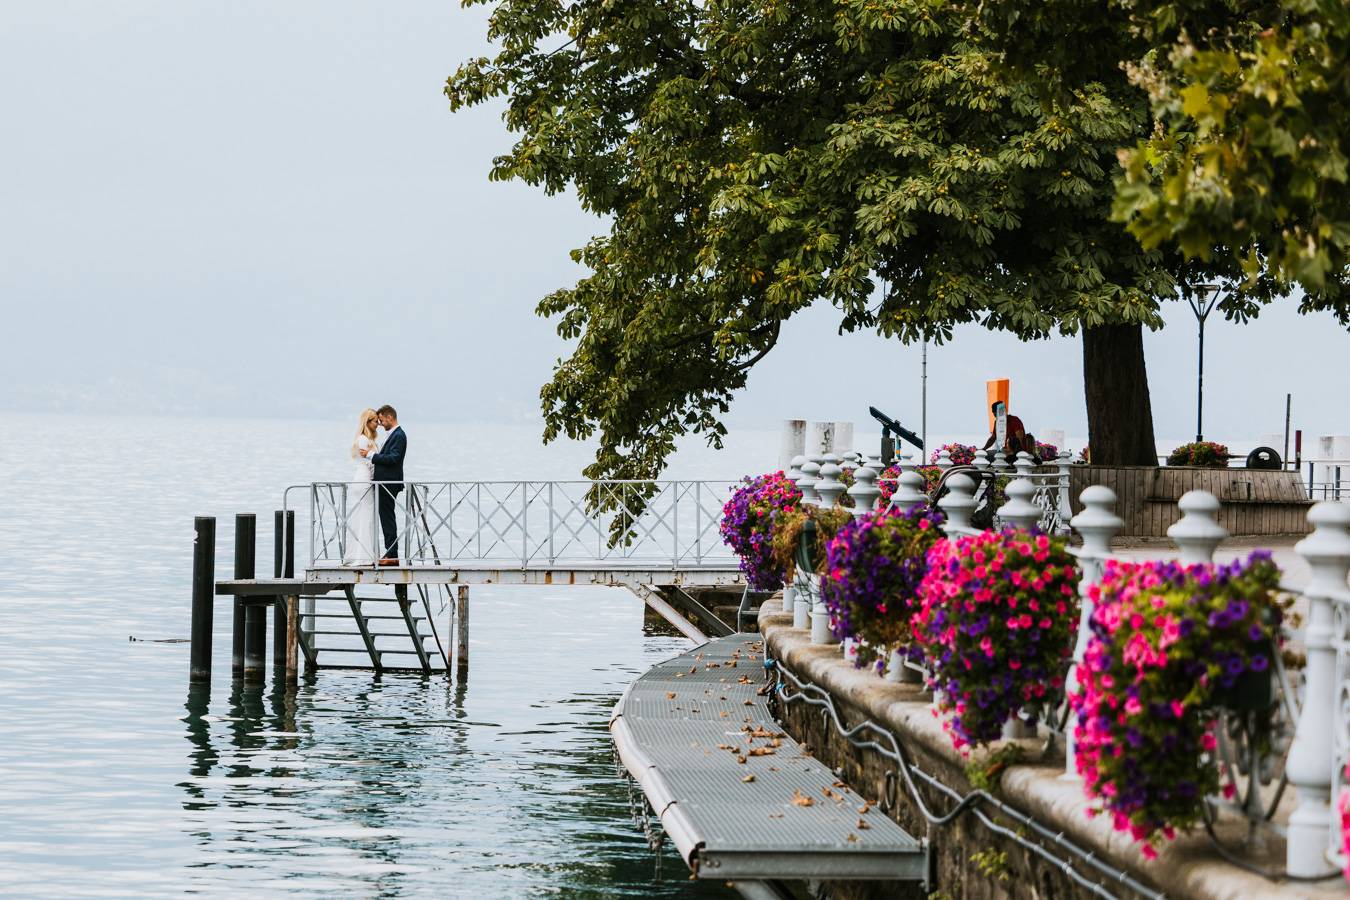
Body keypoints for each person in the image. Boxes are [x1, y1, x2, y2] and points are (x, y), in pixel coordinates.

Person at [361, 405, 406, 566]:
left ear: (390, 417)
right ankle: (390, 553)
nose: (380, 423)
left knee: (388, 518)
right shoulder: (393, 435)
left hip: (389, 483)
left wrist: (371, 455)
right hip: (385, 482)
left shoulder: (399, 435)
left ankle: (392, 554)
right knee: (386, 517)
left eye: (381, 420)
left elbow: (393, 458)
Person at [343, 408, 380, 565]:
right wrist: (377, 479)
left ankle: (359, 554)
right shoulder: (364, 440)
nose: (377, 424)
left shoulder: (361, 439)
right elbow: (370, 463)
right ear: (368, 422)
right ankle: (364, 556)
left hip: (360, 478)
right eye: (375, 421)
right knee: (367, 517)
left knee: (361, 516)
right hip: (365, 480)